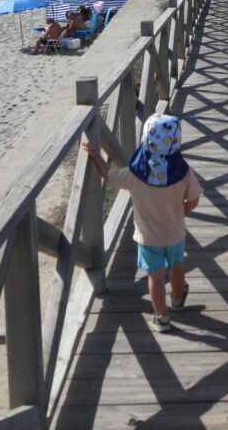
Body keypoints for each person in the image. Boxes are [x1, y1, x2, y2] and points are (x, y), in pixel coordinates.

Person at [84, 113, 201, 331]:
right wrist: (181, 211)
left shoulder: (134, 175)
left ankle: (161, 318)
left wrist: (95, 156)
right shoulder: (183, 172)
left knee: (155, 278)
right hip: (174, 234)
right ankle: (177, 301)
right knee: (176, 267)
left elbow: (108, 174)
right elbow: (194, 200)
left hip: (148, 239)